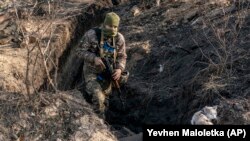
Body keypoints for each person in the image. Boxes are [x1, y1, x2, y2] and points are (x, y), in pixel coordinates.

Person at [76, 12, 127, 118]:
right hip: (91, 72)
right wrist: (94, 58)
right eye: (110, 26)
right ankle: (100, 123)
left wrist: (119, 69)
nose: (112, 29)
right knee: (98, 97)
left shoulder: (119, 39)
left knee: (105, 98)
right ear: (104, 24)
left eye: (115, 27)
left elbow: (122, 56)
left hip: (108, 73)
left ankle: (103, 119)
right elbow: (79, 51)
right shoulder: (91, 35)